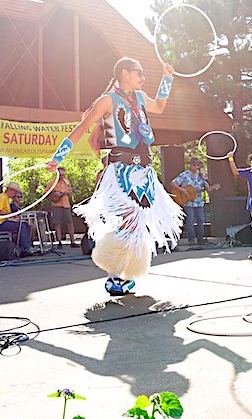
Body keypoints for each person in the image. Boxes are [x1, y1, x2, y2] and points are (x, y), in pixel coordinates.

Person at [47, 57, 184, 295]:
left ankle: (125, 273)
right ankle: (113, 272)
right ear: (124, 74)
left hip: (144, 171)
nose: (142, 78)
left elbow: (160, 107)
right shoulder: (107, 101)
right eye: (138, 73)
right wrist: (58, 157)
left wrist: (168, 78)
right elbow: (82, 127)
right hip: (121, 169)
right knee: (125, 219)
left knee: (137, 223)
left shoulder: (140, 98)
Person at [172, 157, 213, 245]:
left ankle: (201, 239)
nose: (196, 167)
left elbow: (207, 187)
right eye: (194, 165)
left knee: (200, 220)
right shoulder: (185, 175)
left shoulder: (201, 176)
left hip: (199, 202)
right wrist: (182, 190)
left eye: (197, 165)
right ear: (190, 165)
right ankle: (191, 239)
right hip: (188, 202)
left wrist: (210, 188)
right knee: (190, 220)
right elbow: (173, 183)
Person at [0, 181, 33, 256]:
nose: (15, 195)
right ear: (11, 190)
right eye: (15, 192)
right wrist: (10, 214)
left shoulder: (6, 198)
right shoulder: (2, 197)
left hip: (4, 222)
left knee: (25, 225)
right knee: (21, 225)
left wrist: (13, 216)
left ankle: (23, 248)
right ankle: (27, 247)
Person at [46, 166, 77, 249]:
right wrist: (54, 194)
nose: (61, 176)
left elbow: (70, 192)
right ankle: (59, 242)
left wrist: (68, 192)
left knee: (70, 223)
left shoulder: (67, 182)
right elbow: (46, 193)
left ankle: (72, 242)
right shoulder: (52, 183)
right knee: (57, 223)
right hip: (56, 205)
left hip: (66, 204)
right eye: (60, 175)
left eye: (63, 175)